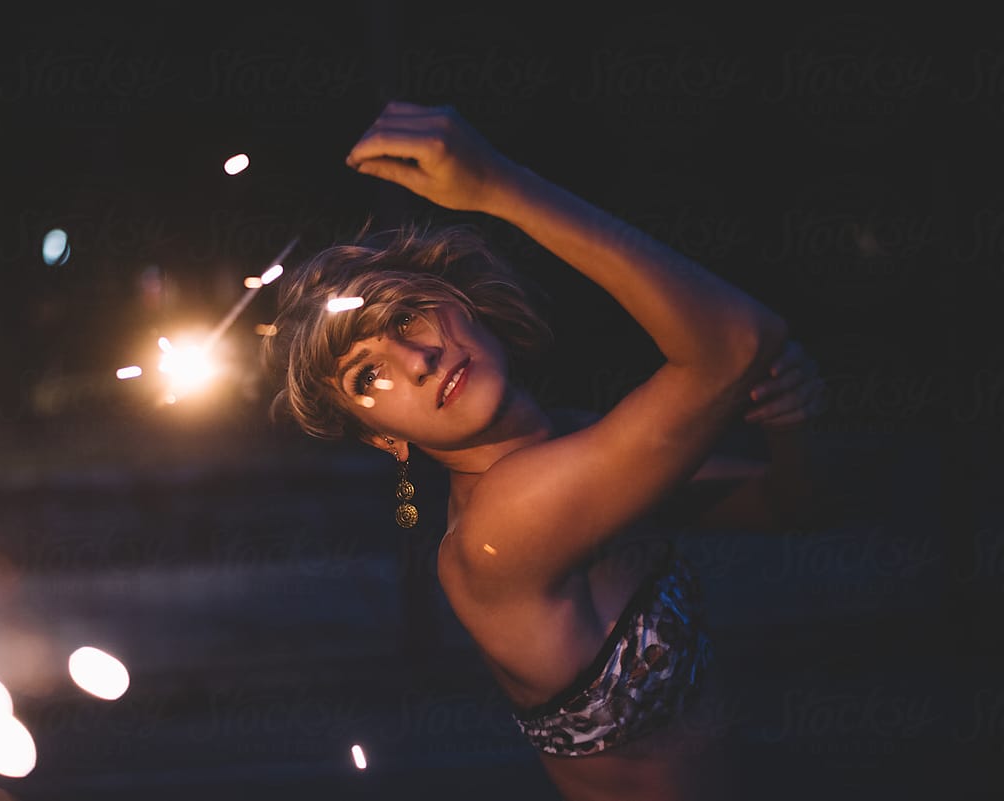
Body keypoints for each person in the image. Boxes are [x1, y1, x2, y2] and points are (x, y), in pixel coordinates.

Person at [263, 102, 826, 801]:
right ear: (385, 438)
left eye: (406, 317)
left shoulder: (571, 437)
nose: (416, 358)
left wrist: (786, 414)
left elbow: (785, 506)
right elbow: (737, 344)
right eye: (367, 375)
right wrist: (499, 183)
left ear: (460, 301)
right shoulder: (506, 518)